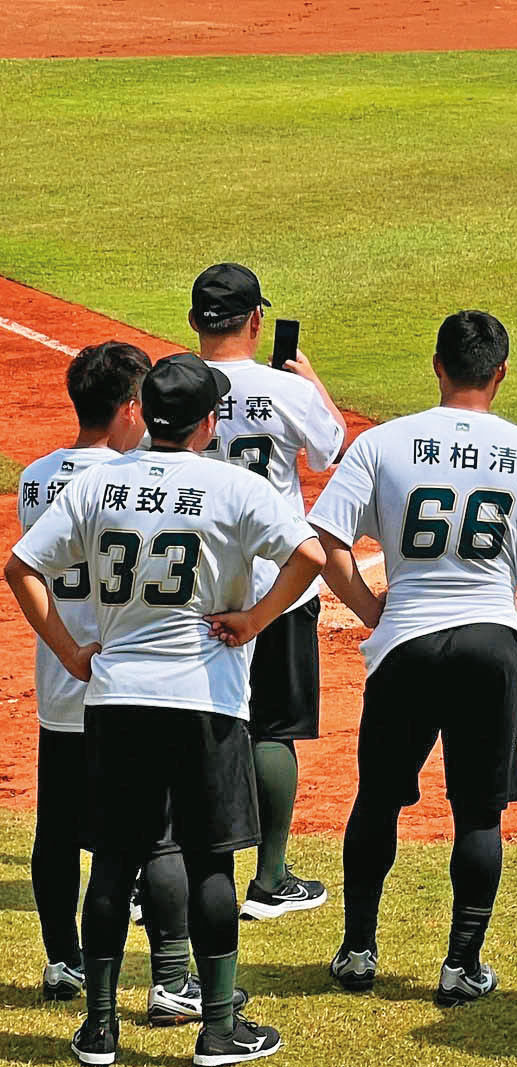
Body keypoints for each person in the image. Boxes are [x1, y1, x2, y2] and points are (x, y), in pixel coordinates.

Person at [6, 352, 325, 1067]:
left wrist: (69, 649)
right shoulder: (235, 486)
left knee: (116, 859)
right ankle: (216, 1028)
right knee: (210, 860)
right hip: (205, 700)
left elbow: (21, 567)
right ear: (208, 421)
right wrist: (254, 618)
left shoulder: (98, 484)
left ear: (146, 414)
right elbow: (310, 555)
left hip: (116, 698)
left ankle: (97, 1029)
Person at [310, 310, 517, 1006]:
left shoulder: (382, 443)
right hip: (490, 642)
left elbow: (325, 539)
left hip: (405, 641)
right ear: (500, 373)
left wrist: (374, 610)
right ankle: (460, 963)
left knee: (378, 798)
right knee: (479, 812)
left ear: (436, 365)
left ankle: (357, 951)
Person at [17, 341, 218, 1027]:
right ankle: (171, 975)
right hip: (125, 681)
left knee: (55, 827)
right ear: (132, 406)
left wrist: (69, 651)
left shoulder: (35, 478)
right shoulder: (132, 482)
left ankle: (61, 958)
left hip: (60, 676)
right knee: (153, 833)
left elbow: (27, 571)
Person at [187, 261, 348, 922]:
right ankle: (270, 875)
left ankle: (161, 869)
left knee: (185, 723)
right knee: (273, 725)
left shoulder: (171, 381)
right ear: (258, 321)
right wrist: (312, 385)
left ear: (196, 321)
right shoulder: (284, 389)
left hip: (188, 583)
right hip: (277, 583)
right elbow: (330, 448)